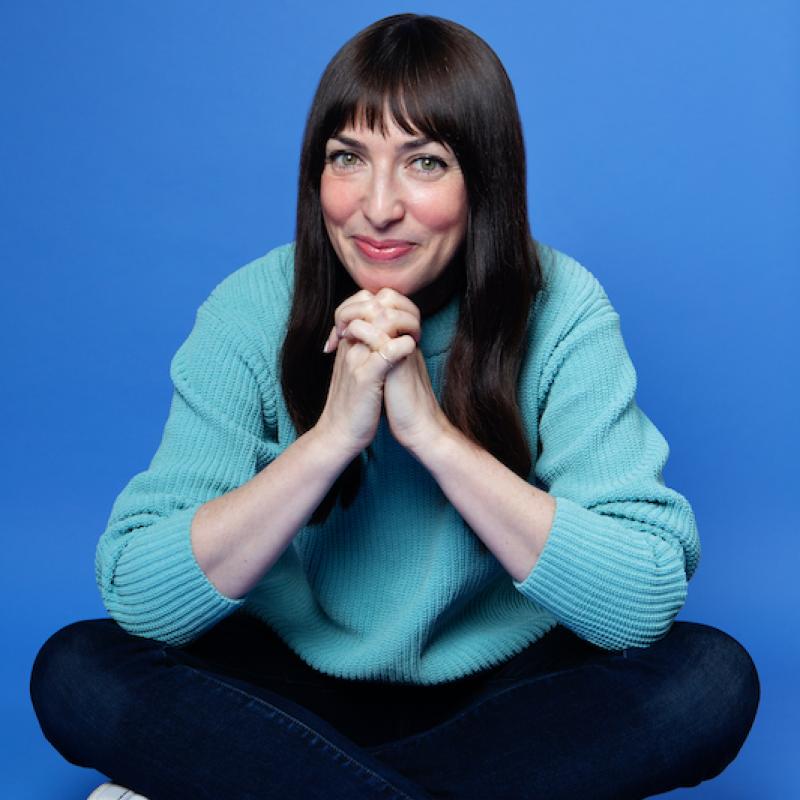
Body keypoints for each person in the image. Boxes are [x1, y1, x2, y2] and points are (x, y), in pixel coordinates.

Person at [29, 13, 760, 800]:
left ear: (485, 179)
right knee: (77, 670)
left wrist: (432, 436)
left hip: (502, 696)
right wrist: (333, 438)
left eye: (424, 163)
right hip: (291, 690)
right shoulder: (251, 307)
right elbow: (141, 595)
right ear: (317, 174)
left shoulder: (563, 308)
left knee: (711, 678)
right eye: (350, 158)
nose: (378, 207)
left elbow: (642, 601)